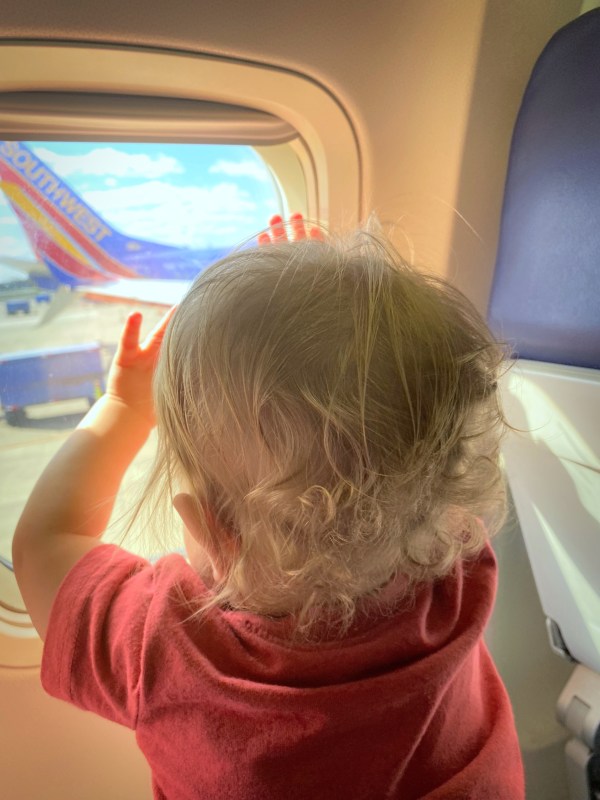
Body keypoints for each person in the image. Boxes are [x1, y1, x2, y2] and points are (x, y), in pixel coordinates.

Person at [12, 213, 525, 799]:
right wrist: (343, 335)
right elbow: (412, 442)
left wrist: (122, 406)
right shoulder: (455, 568)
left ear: (216, 533)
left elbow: (41, 546)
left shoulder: (168, 647)